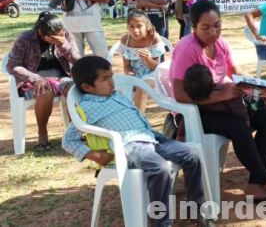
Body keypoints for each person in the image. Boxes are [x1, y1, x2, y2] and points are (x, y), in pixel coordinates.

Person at [171, 0, 266, 202]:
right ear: (193, 26)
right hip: (195, 111)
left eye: (217, 25)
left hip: (225, 104)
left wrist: (259, 89)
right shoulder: (187, 48)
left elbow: (235, 72)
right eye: (205, 27)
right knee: (238, 126)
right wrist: (219, 96)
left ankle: (254, 185)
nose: (213, 32)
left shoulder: (221, 43)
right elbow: (179, 94)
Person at [62, 56, 208, 227]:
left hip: (151, 136)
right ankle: (161, 223)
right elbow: (68, 140)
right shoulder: (87, 108)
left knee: (191, 155)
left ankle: (195, 210)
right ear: (87, 87)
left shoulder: (115, 95)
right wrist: (95, 156)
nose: (111, 82)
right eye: (104, 79)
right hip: (131, 145)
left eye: (111, 76)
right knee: (160, 168)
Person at [7, 12, 79, 151]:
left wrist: (64, 45)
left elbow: (78, 60)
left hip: (62, 77)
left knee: (74, 91)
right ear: (41, 33)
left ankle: (74, 133)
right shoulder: (26, 38)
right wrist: (36, 78)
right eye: (54, 37)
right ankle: (42, 133)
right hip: (33, 79)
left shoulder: (65, 35)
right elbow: (12, 66)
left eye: (61, 33)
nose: (60, 37)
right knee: (45, 92)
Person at [118, 9, 166, 112]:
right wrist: (130, 74)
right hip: (136, 74)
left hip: (153, 74)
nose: (135, 30)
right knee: (120, 89)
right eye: (131, 26)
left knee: (142, 86)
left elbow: (156, 67)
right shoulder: (125, 40)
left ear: (147, 26)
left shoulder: (154, 38)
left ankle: (139, 120)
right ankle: (126, 118)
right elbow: (127, 66)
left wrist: (147, 59)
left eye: (139, 26)